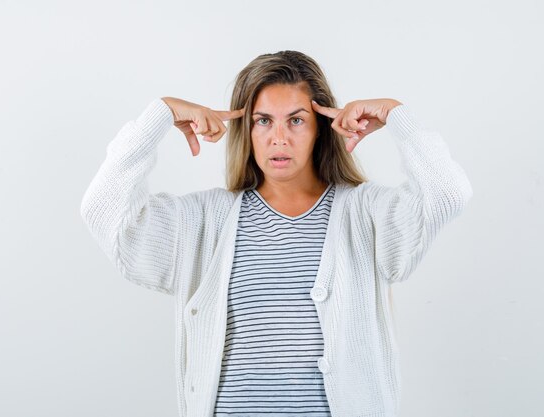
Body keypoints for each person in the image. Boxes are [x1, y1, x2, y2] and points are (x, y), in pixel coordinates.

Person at [80, 50, 473, 417]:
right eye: (263, 120)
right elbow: (103, 211)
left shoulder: (364, 214)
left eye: (296, 120)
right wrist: (160, 116)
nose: (278, 138)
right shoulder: (205, 222)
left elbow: (446, 193)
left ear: (320, 128)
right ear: (246, 131)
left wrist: (396, 116)